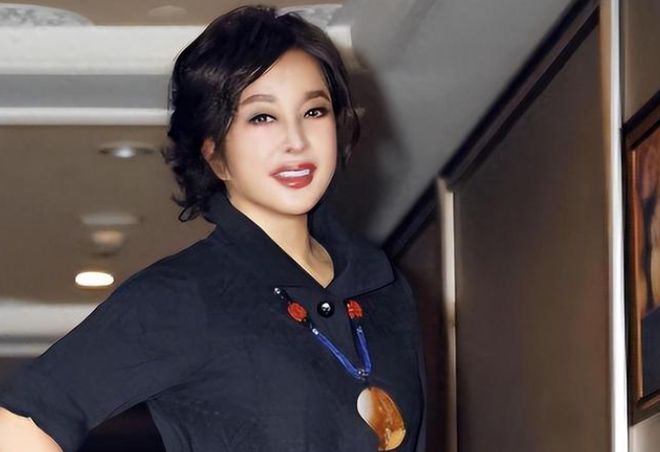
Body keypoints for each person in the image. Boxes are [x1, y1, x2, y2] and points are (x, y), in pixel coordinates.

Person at [0, 5, 426, 452]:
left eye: (314, 111)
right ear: (213, 152)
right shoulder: (185, 295)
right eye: (262, 117)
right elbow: (20, 425)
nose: (296, 140)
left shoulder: (385, 289)